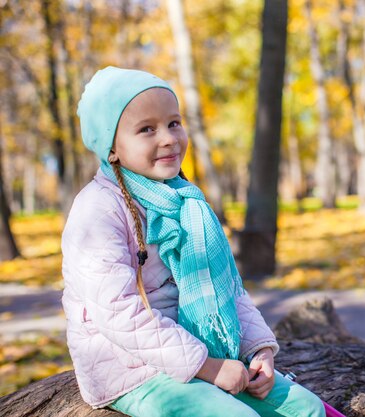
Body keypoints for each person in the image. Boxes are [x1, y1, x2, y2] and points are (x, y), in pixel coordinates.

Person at [61, 66, 325, 417]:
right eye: (146, 129)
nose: (169, 138)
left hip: (198, 353)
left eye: (173, 123)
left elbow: (227, 287)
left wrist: (259, 350)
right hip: (129, 366)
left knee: (305, 408)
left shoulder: (187, 201)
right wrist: (210, 368)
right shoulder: (98, 209)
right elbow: (119, 316)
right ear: (112, 149)